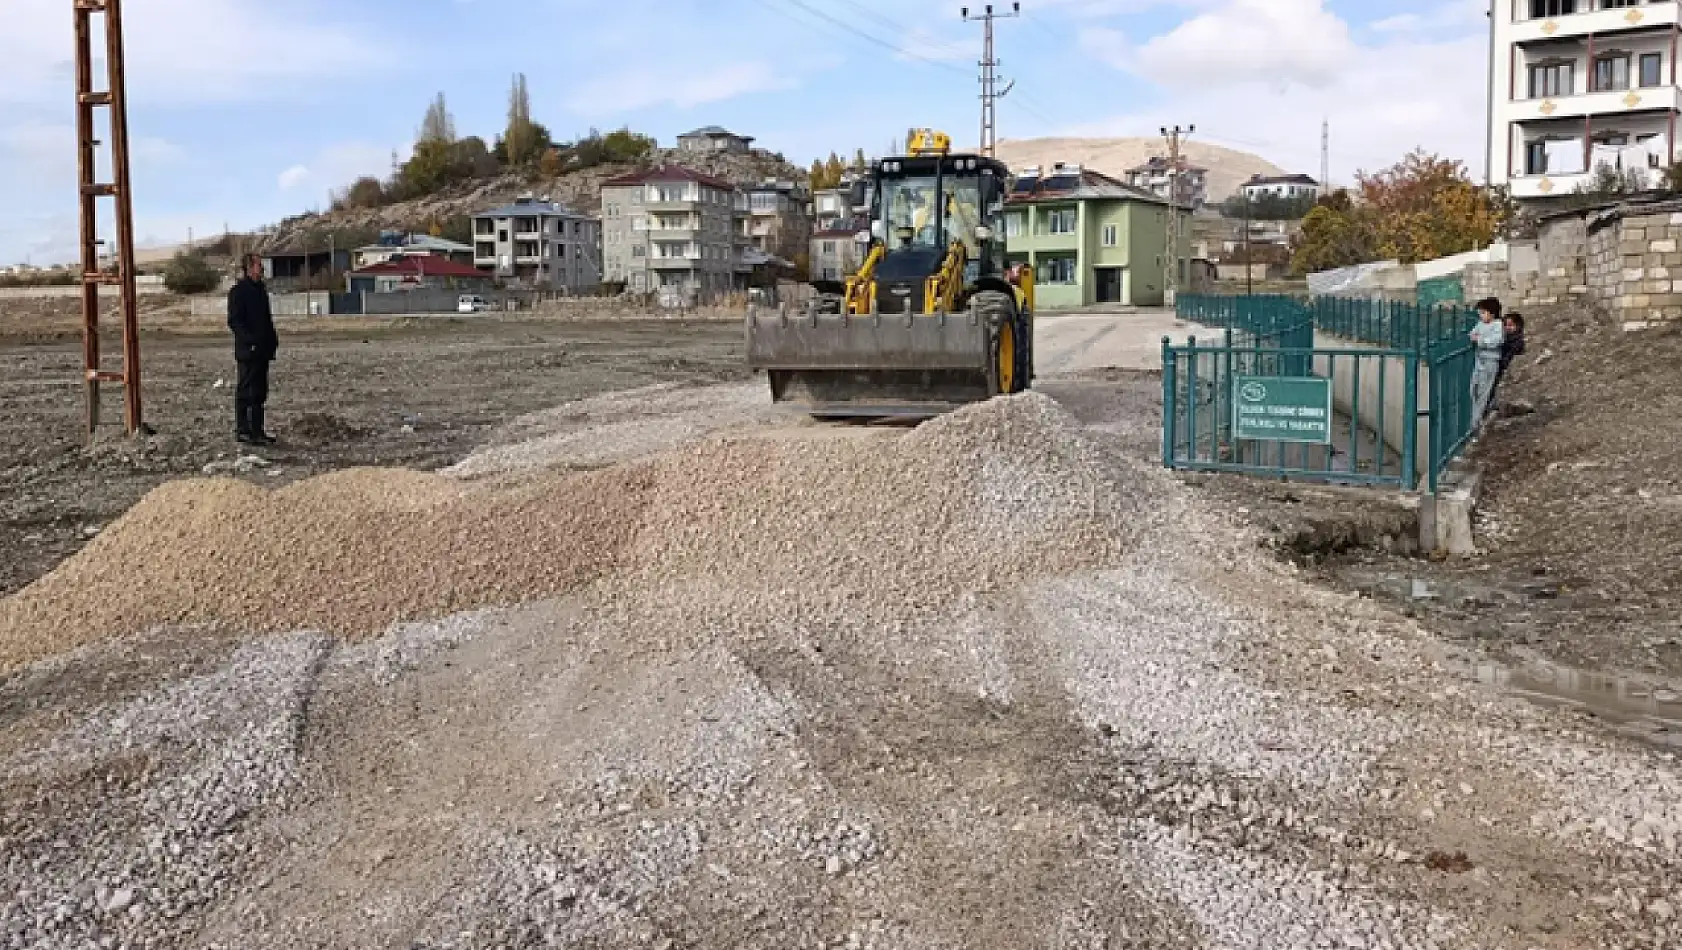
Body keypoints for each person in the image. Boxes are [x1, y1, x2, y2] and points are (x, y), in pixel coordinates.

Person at [227, 253, 279, 445]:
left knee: (259, 392)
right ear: (249, 268)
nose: (262, 268)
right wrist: (250, 341)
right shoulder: (239, 292)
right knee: (246, 391)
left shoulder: (260, 290)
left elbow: (266, 319)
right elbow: (235, 321)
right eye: (259, 265)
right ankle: (243, 430)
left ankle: (257, 431)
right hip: (248, 352)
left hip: (263, 351)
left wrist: (272, 340)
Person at [1468, 297, 1505, 425]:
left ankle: (1476, 421)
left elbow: (1496, 341)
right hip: (1480, 360)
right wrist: (1476, 337)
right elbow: (1472, 334)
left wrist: (1480, 340)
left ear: (1492, 313)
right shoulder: (1480, 324)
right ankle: (1478, 415)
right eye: (1480, 313)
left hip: (1490, 361)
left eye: (1483, 313)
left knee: (1484, 391)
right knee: (1474, 388)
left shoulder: (1498, 325)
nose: (1481, 316)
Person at [1485, 312, 1527, 419]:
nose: (1507, 328)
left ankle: (1486, 407)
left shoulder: (1515, 340)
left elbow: (1508, 353)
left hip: (1497, 366)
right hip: (1493, 365)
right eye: (1506, 325)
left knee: (1489, 387)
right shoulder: (1504, 337)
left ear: (1518, 326)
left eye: (1511, 325)